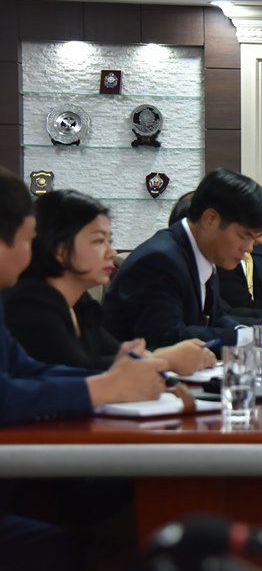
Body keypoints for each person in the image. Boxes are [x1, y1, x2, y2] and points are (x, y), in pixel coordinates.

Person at [0, 167, 168, 569]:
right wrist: (105, 386)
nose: (31, 252)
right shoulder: (27, 302)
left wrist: (115, 380)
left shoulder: (75, 305)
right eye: (27, 240)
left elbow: (27, 369)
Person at [4, 190, 215, 373]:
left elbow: (117, 354)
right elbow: (75, 373)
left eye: (109, 241)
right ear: (60, 250)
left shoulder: (80, 303)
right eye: (98, 241)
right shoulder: (30, 305)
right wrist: (165, 359)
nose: (111, 252)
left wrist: (162, 356)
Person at [102, 168, 262, 350]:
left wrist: (259, 332)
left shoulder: (202, 252)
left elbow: (217, 316)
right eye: (244, 236)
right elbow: (168, 338)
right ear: (210, 219)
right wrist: (249, 337)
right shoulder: (159, 260)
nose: (248, 248)